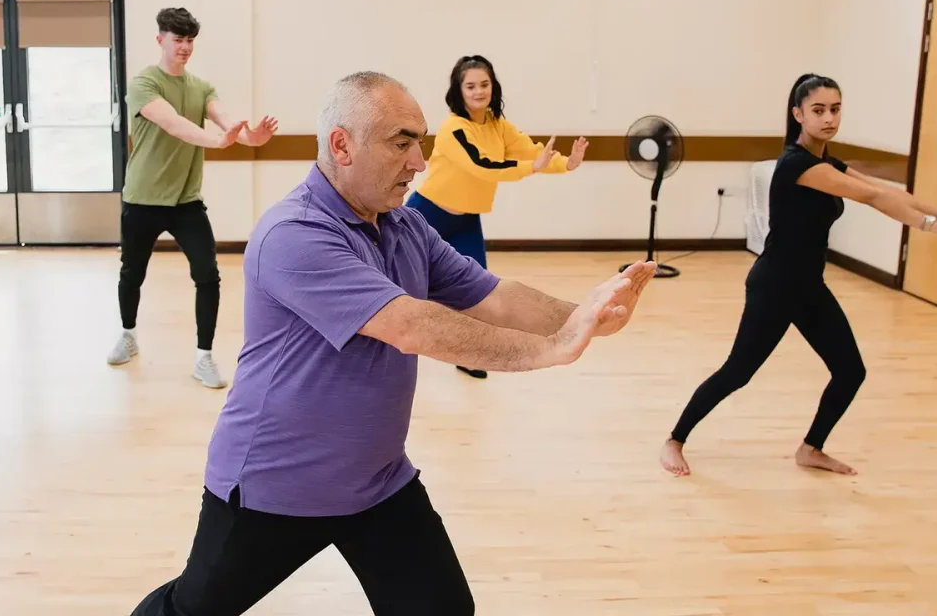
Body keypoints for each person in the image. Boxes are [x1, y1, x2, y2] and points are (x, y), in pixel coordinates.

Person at [129, 71, 656, 616]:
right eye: (401, 142)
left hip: (376, 482)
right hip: (275, 486)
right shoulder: (294, 233)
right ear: (341, 145)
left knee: (441, 609)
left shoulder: (405, 227)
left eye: (421, 141)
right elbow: (412, 325)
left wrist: (587, 317)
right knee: (189, 610)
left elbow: (494, 296)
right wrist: (550, 351)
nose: (420, 161)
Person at [659, 73, 937, 478]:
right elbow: (870, 197)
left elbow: (882, 187)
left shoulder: (826, 163)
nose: (829, 118)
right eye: (818, 110)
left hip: (808, 288)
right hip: (775, 286)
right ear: (798, 114)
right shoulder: (797, 165)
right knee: (738, 372)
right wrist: (931, 226)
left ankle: (811, 448)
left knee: (851, 371)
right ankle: (675, 439)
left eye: (835, 109)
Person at [106, 7, 278, 389]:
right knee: (132, 272)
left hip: (186, 201)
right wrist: (219, 142)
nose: (184, 47)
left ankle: (204, 357)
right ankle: (128, 334)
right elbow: (174, 124)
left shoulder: (201, 88)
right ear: (160, 40)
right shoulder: (143, 84)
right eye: (177, 39)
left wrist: (252, 138)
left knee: (208, 275)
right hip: (143, 199)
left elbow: (229, 124)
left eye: (189, 41)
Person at [407, 55, 588, 379]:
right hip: (427, 214)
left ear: (493, 87)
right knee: (402, 284)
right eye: (471, 86)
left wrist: (566, 164)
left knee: (478, 293)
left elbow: (532, 152)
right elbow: (482, 166)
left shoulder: (497, 126)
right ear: (458, 91)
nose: (479, 91)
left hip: (465, 220)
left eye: (484, 84)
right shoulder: (453, 129)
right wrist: (530, 168)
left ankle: (468, 355)